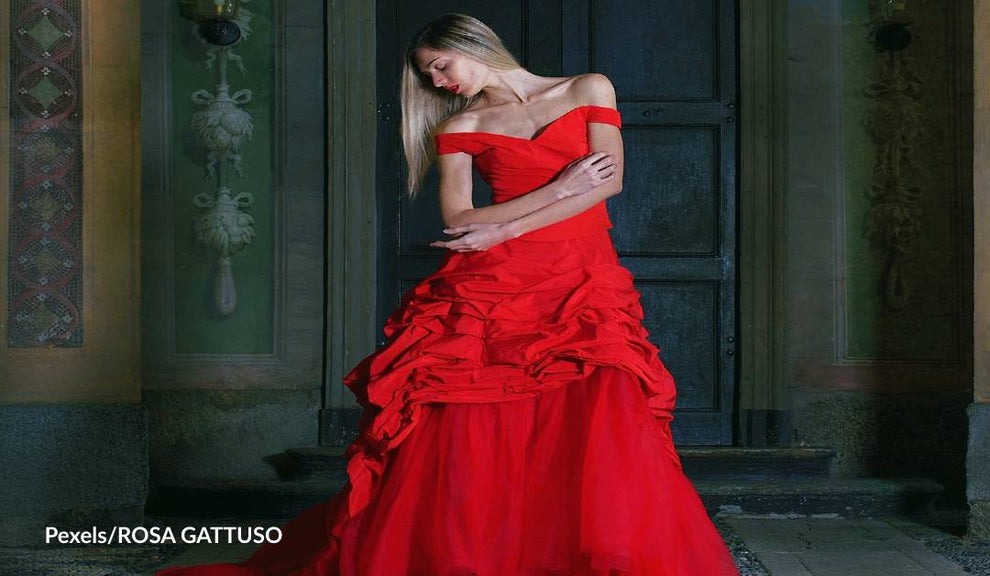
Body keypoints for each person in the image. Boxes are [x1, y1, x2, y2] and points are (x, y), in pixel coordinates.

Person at [156, 13, 740, 575]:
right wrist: (545, 197)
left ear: (474, 44)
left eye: (440, 66)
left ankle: (571, 552)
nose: (438, 83)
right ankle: (476, 553)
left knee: (598, 411)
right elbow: (461, 217)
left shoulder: (588, 87)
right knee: (469, 424)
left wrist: (507, 225)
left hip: (581, 279)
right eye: (429, 77)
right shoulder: (461, 127)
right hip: (490, 287)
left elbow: (607, 179)